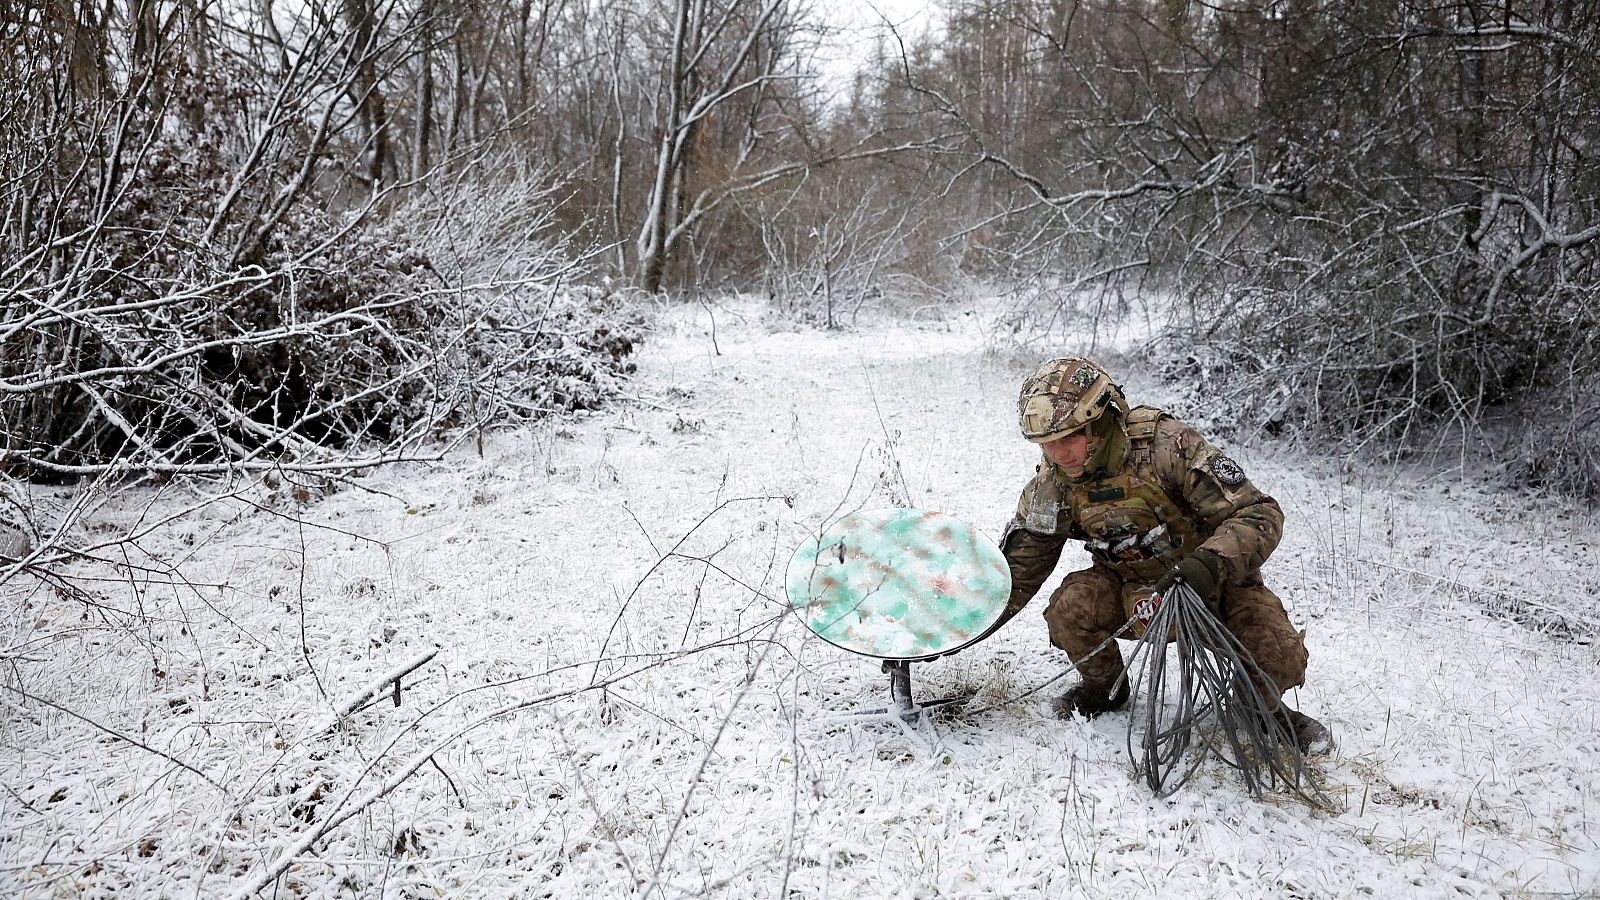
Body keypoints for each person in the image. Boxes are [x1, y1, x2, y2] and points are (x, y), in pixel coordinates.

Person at [994, 356, 1331, 752]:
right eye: (1047, 444)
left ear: (1100, 423)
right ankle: (1105, 690)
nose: (1059, 454)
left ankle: (1261, 709)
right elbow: (1019, 570)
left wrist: (1208, 564)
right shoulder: (1053, 485)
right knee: (1070, 609)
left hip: (1211, 585)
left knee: (1279, 655)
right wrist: (952, 630)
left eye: (1070, 438)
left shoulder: (1167, 448)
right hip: (1130, 591)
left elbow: (1259, 512)